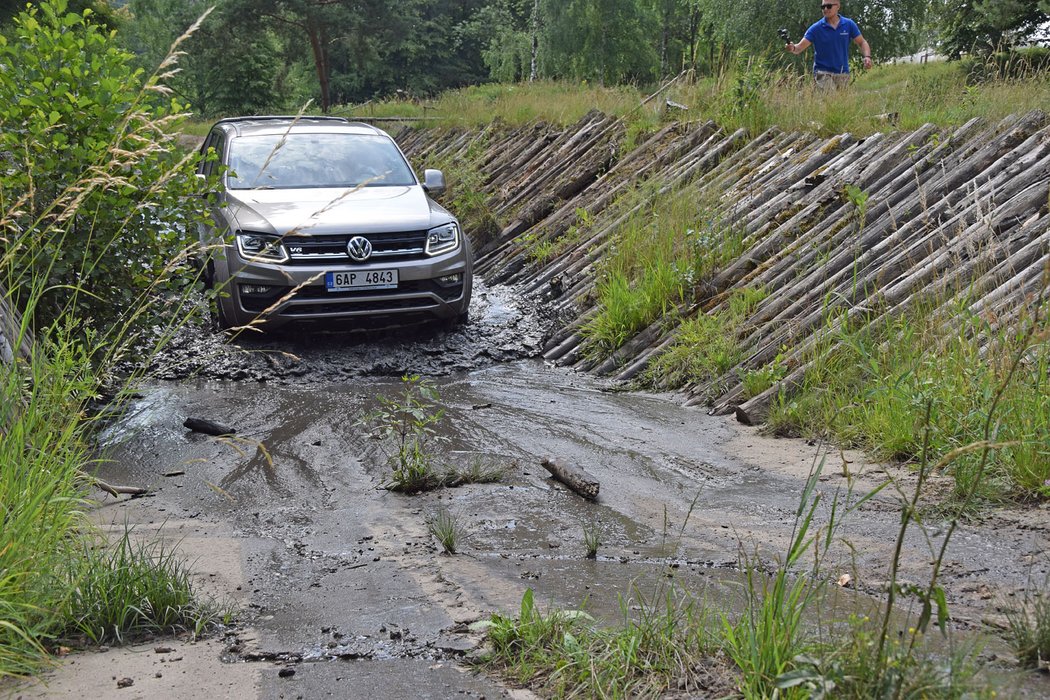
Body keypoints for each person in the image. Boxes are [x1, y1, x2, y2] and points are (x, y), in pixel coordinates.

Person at [785, 1, 872, 90]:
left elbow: (862, 42)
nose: (825, 9)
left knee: (839, 103)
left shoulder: (849, 24)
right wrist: (792, 47)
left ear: (838, 6)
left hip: (842, 73)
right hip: (822, 73)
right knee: (830, 97)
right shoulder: (816, 28)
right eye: (823, 7)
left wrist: (867, 57)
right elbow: (798, 48)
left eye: (829, 6)